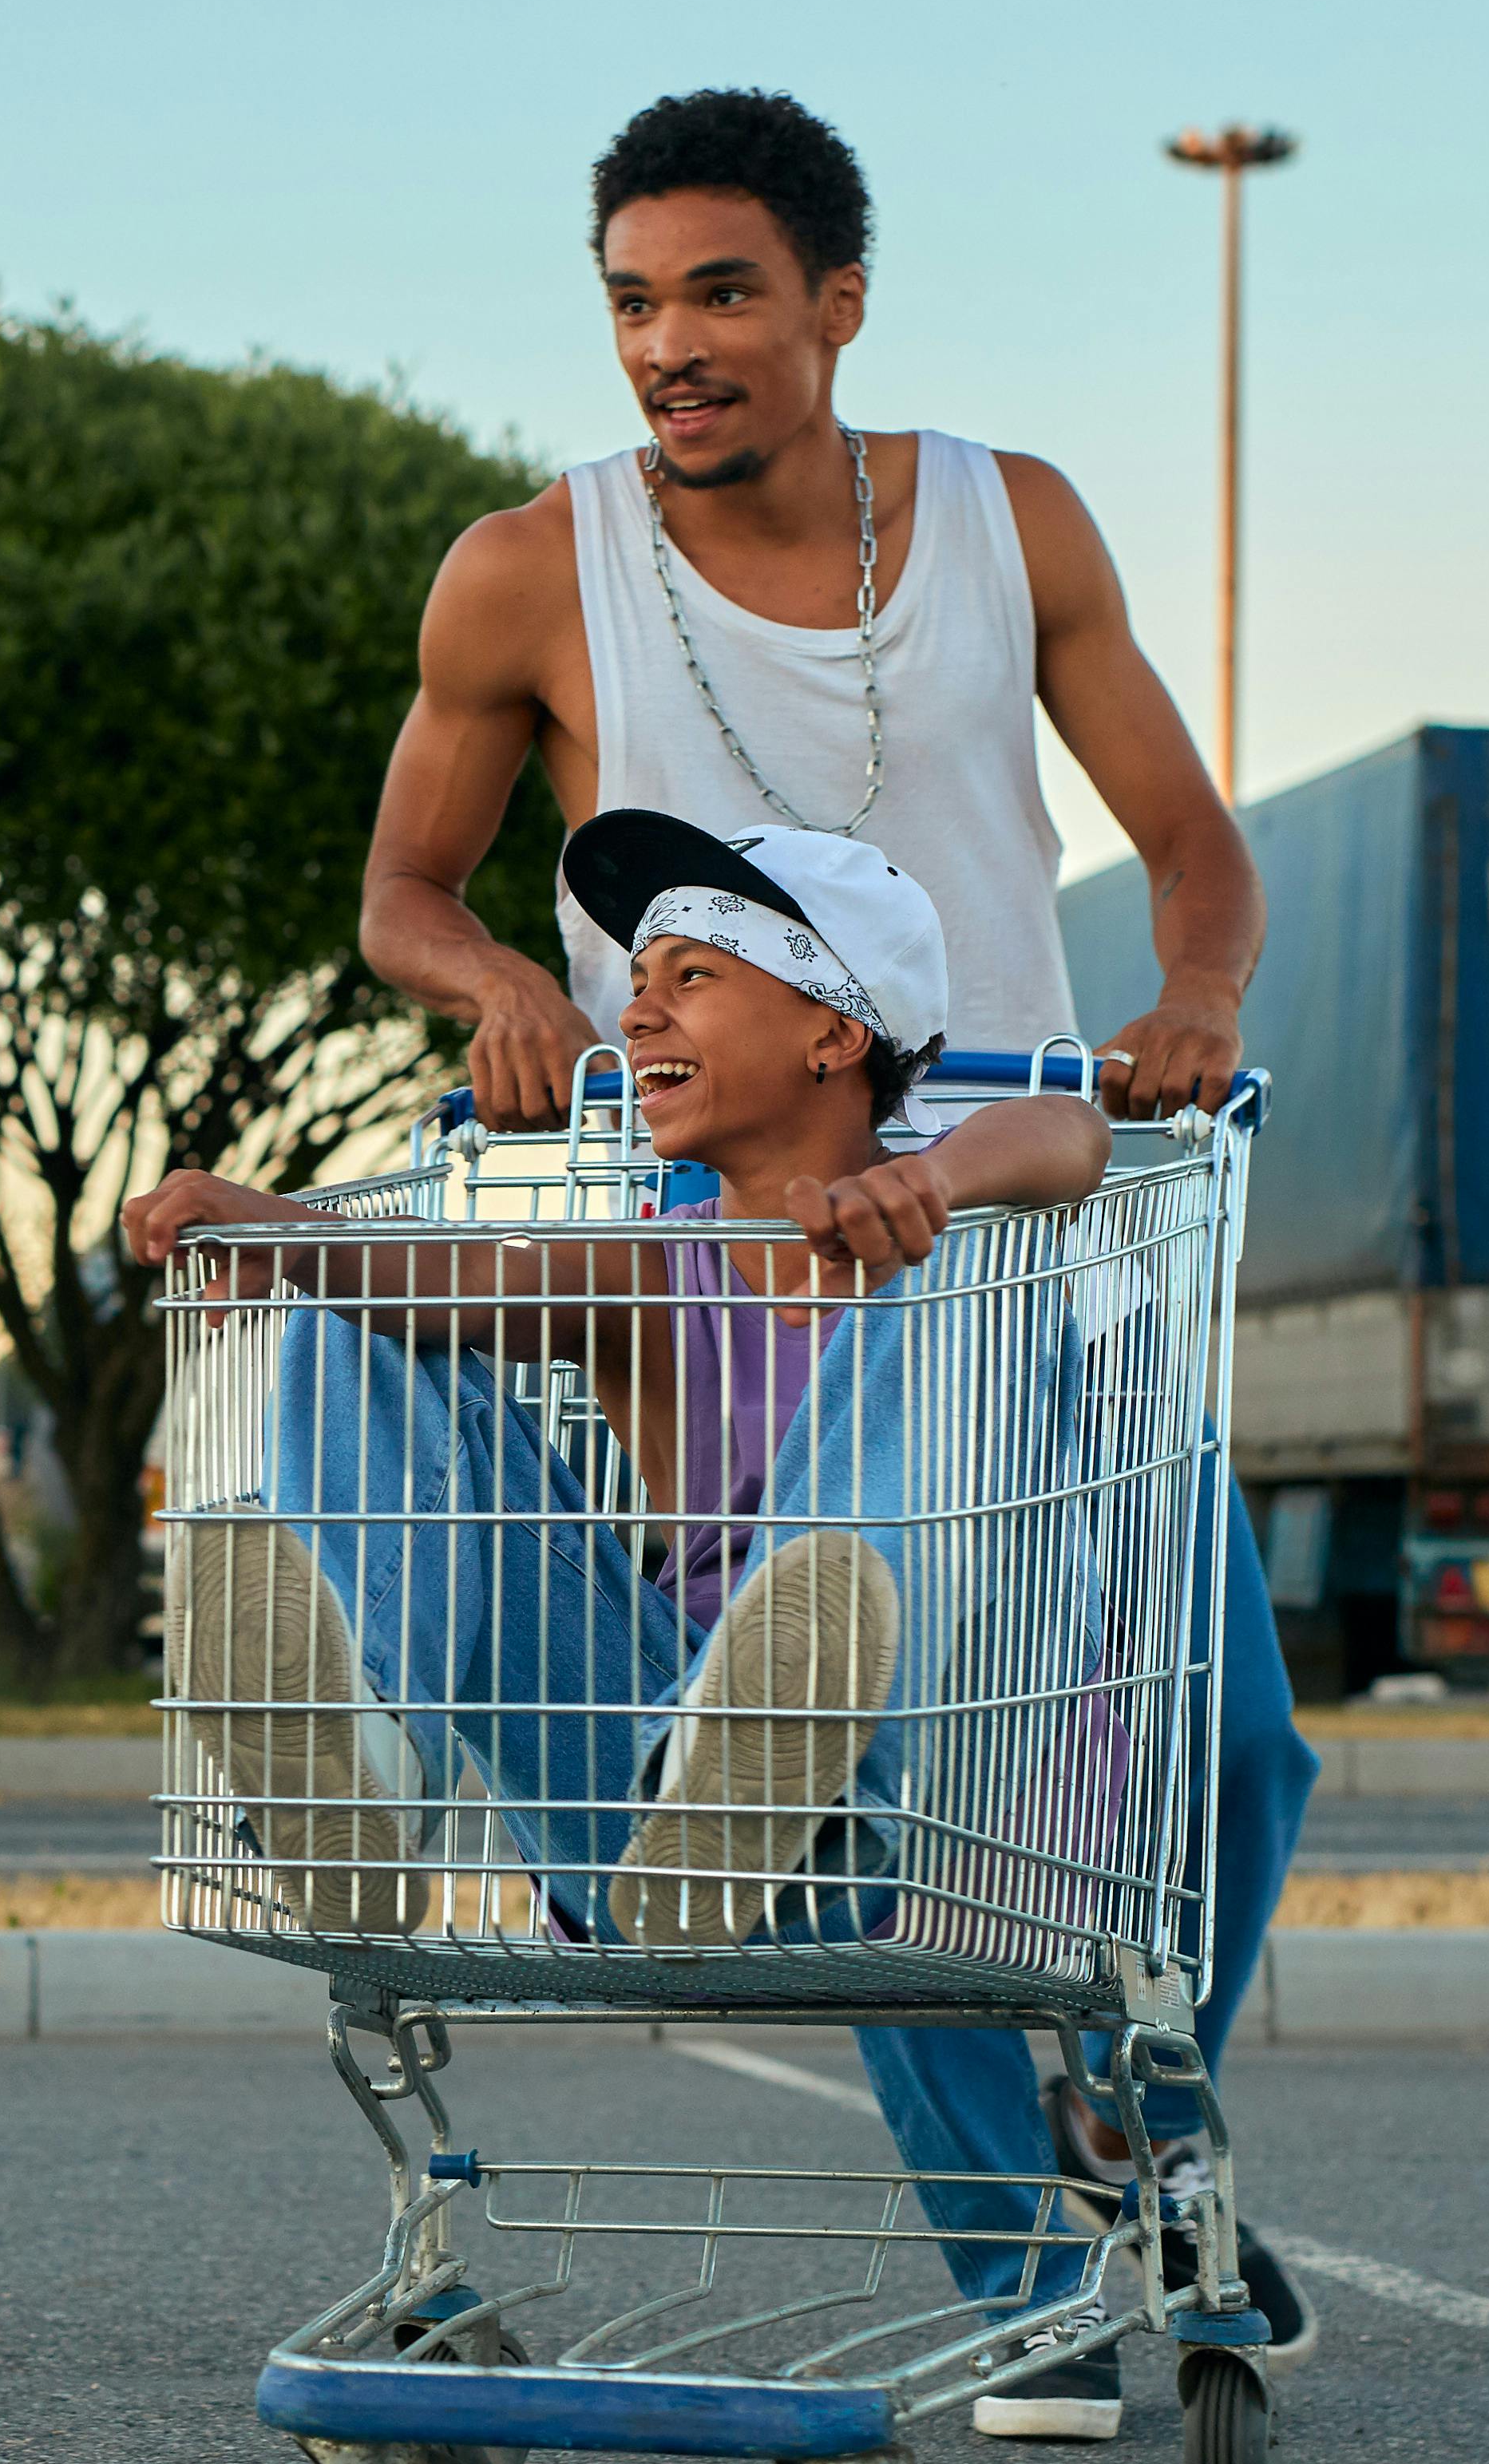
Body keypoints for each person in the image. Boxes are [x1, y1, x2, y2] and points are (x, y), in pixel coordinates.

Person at [346, 86, 1317, 2438]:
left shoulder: (1012, 523)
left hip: (1031, 1206)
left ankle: (1135, 2106)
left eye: (718, 293)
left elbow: (1188, 841)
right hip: (751, 1249)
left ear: (835, 302)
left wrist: (1193, 1001)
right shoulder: (521, 571)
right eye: (631, 302)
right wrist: (485, 980)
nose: (667, 345)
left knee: (1234, 1732)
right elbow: (404, 888)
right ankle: (1035, 2284)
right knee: (873, 1739)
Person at [129, 815, 1108, 1956]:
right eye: (636, 980)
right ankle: (366, 1775)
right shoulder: (649, 1265)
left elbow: (1070, 1131)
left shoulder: (954, 1233)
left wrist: (933, 1187)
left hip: (890, 1819)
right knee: (359, 1292)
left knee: (985, 1249)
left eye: (691, 976)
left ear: (835, 1033)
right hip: (639, 1823)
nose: (635, 1013)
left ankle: (794, 1767)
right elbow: (446, 1288)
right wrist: (285, 1233)